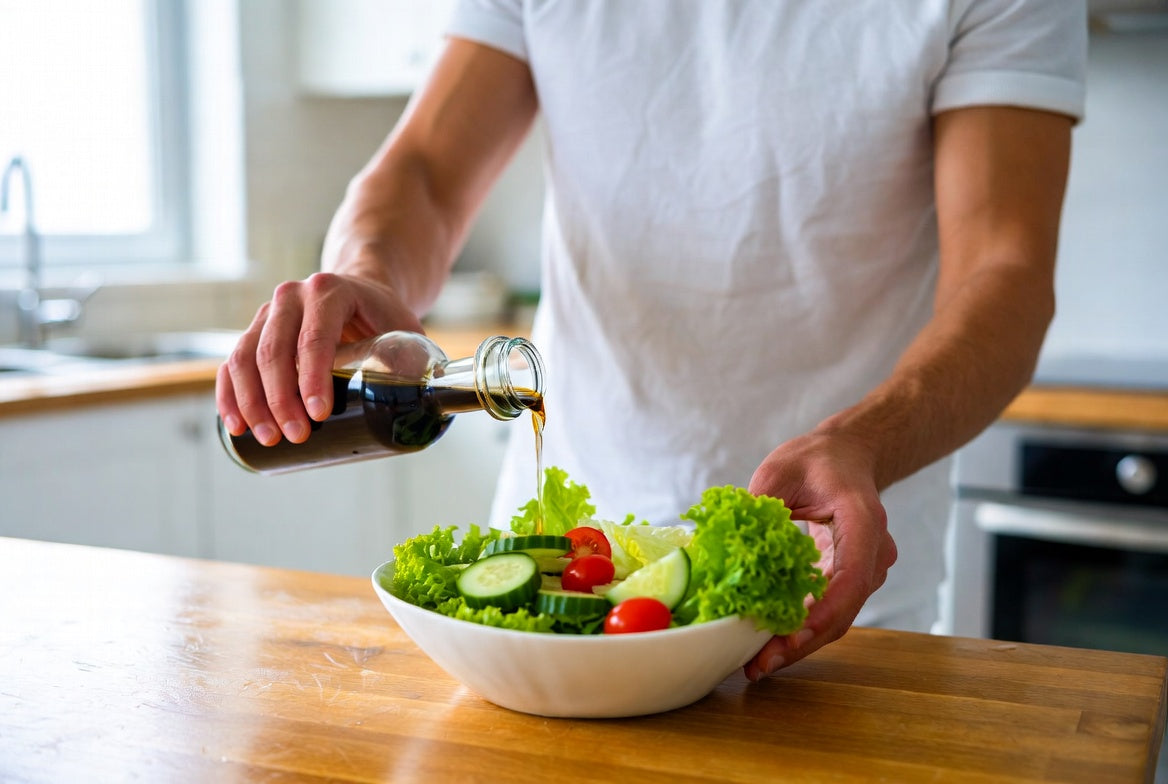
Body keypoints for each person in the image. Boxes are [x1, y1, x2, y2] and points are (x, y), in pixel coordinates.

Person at [216, 1, 1087, 680]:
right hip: (555, 582)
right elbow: (427, 172)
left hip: (824, 582)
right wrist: (371, 271)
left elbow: (1004, 274)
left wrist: (862, 441)